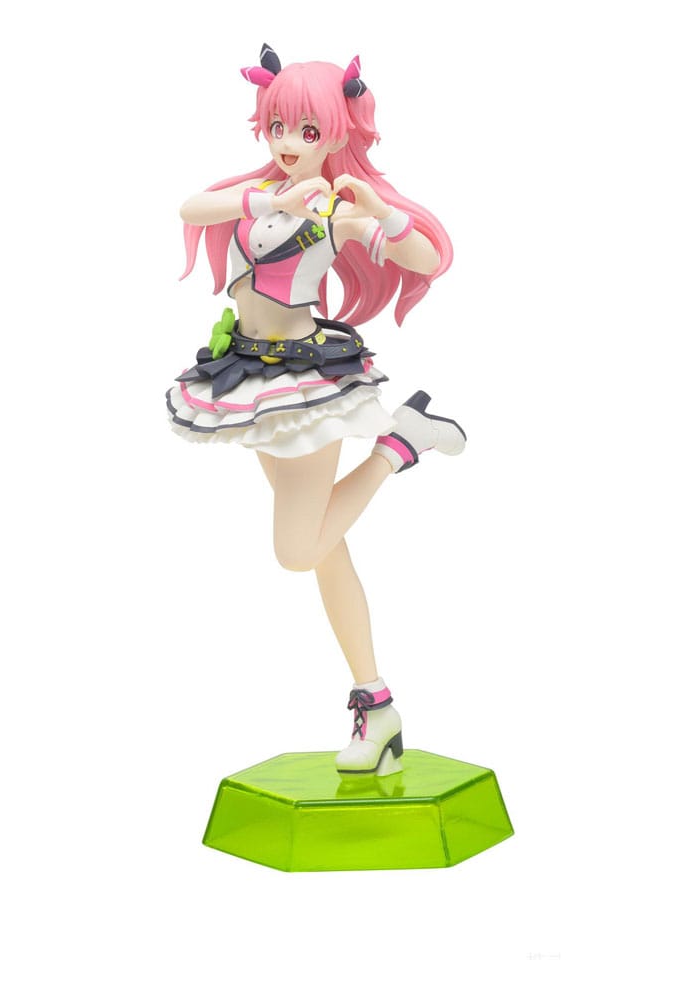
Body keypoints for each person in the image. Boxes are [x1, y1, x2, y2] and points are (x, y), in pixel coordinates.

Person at [166, 44, 465, 775]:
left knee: (297, 551)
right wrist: (271, 198)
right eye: (278, 127)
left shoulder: (338, 210)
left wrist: (380, 213)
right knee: (325, 546)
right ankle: (377, 705)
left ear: (336, 132)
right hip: (247, 377)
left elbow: (425, 260)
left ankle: (400, 444)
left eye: (307, 131)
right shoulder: (260, 191)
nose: (289, 143)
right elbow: (190, 207)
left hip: (304, 388)